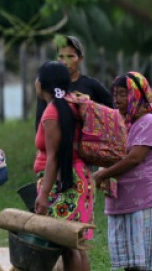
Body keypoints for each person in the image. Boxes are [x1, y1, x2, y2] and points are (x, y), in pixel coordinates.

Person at [94, 72, 152, 271]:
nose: (117, 99)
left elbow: (134, 158)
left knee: (142, 267)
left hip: (141, 202)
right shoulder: (121, 122)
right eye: (115, 94)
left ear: (137, 94)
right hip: (118, 201)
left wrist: (103, 174)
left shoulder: (148, 122)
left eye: (123, 94)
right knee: (126, 264)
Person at [33, 61, 93, 271]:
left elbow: (54, 157)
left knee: (65, 245)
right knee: (78, 243)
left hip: (62, 181)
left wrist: (44, 193)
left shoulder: (52, 112)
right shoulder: (72, 103)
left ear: (41, 84)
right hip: (81, 179)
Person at [36, 35, 113, 129]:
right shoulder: (50, 87)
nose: (65, 62)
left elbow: (115, 109)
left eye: (70, 56)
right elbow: (41, 121)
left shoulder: (91, 85)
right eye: (61, 56)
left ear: (80, 59)